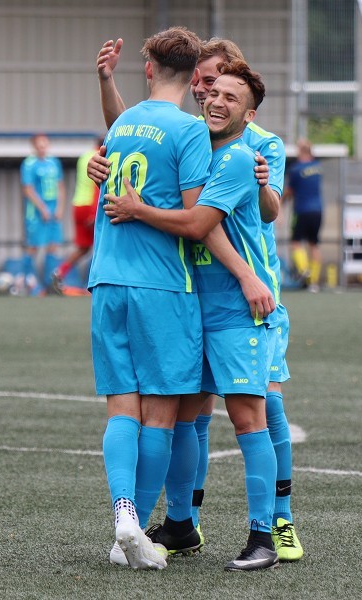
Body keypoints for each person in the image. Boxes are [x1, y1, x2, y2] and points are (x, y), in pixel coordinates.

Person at [92, 36, 303, 564]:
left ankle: (272, 530)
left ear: (248, 110)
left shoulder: (246, 153)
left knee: (254, 410)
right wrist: (108, 161)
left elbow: (208, 224)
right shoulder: (194, 141)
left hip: (239, 300)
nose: (212, 96)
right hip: (190, 300)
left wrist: (252, 274)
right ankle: (181, 523)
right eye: (208, 87)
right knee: (187, 416)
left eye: (227, 93)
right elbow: (134, 133)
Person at [88, 25, 212, 571]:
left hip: (107, 279)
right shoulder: (189, 131)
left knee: (122, 407)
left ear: (148, 69)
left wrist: (104, 79)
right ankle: (132, 523)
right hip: (163, 286)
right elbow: (194, 221)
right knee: (160, 416)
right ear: (194, 77)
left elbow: (117, 126)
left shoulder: (123, 128)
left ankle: (122, 521)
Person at [51, 136, 103, 292]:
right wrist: (94, 213)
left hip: (78, 205)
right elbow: (97, 186)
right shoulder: (101, 157)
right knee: (102, 245)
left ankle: (59, 272)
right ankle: (98, 282)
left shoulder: (84, 156)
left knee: (83, 247)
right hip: (90, 207)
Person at [20, 133, 65, 284]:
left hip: (53, 210)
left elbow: (60, 187)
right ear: (34, 147)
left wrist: (59, 208)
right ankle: (28, 282)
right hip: (36, 212)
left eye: (45, 145)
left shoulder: (54, 162)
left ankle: (49, 284)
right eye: (39, 146)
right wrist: (42, 208)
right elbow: (28, 189)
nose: (42, 148)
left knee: (53, 245)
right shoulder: (29, 164)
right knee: (33, 246)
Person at [285, 138, 324, 292]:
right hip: (318, 210)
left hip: (301, 210)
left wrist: (280, 201)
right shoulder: (318, 167)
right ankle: (313, 282)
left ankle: (304, 271)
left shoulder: (296, 169)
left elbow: (290, 191)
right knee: (314, 245)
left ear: (299, 151)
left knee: (295, 242)